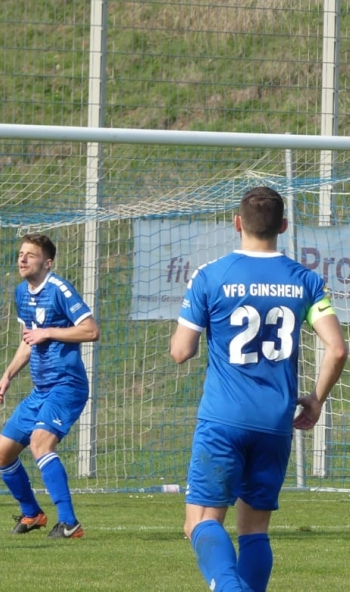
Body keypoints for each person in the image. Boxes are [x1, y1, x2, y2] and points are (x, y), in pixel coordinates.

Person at [170, 186, 346, 592]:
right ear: (283, 226)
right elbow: (337, 349)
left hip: (224, 418)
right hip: (275, 423)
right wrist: (316, 400)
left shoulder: (210, 275)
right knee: (254, 531)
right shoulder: (305, 280)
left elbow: (181, 351)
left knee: (199, 523)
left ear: (237, 223)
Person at [0, 233, 99, 540]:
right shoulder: (21, 293)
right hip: (40, 390)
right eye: (21, 254)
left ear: (47, 263)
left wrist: (49, 332)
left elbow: (91, 330)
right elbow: (28, 340)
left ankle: (69, 524)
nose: (23, 259)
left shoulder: (59, 289)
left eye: (31, 255)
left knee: (41, 443)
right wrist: (8, 375)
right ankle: (33, 514)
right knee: (1, 453)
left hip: (67, 385)